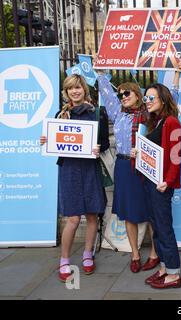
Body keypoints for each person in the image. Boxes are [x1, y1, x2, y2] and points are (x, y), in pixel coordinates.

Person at [96, 61, 181, 273]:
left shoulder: (149, 113)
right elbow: (107, 92)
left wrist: (177, 73)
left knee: (152, 211)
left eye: (127, 93)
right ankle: (135, 254)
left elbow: (170, 97)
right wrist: (100, 72)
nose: (123, 97)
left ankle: (155, 254)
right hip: (124, 166)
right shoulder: (118, 114)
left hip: (146, 167)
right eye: (121, 95)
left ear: (138, 95)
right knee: (128, 212)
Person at [40, 74, 110, 281]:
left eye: (78, 87)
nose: (75, 91)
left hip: (90, 168)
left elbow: (105, 142)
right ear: (66, 91)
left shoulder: (98, 113)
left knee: (91, 215)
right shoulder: (61, 114)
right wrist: (46, 139)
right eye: (71, 88)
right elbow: (56, 141)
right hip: (69, 170)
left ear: (84, 89)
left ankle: (88, 254)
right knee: (72, 218)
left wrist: (99, 147)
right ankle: (64, 260)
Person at [130, 83, 181, 289]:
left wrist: (168, 182)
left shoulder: (172, 122)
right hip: (150, 183)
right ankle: (164, 267)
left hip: (161, 185)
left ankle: (174, 274)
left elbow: (176, 156)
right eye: (146, 98)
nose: (147, 101)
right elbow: (152, 155)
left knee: (163, 228)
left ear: (163, 98)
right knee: (157, 229)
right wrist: (137, 154)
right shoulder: (155, 122)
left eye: (152, 97)